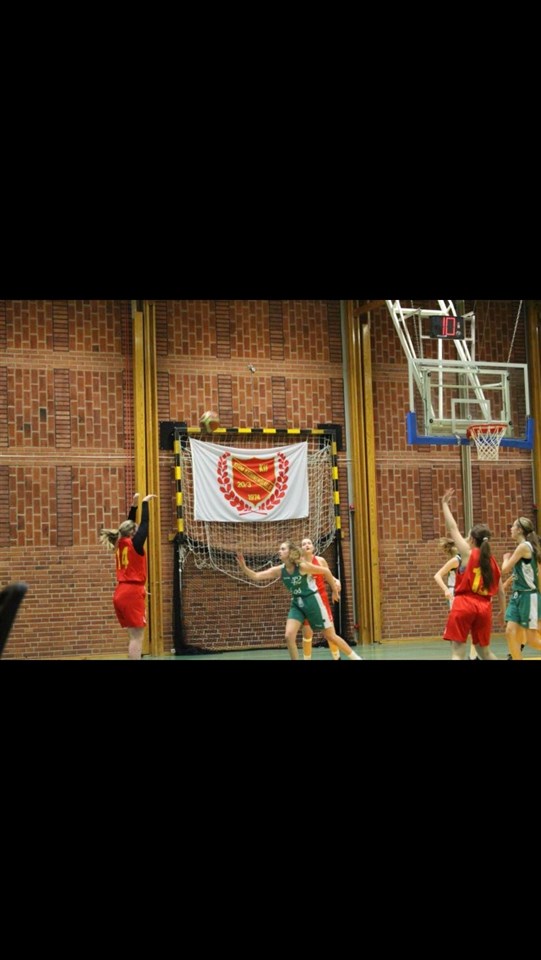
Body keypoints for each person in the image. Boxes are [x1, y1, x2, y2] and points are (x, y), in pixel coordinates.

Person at [236, 540, 362, 661]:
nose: (279, 551)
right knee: (289, 636)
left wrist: (334, 590)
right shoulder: (280, 570)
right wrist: (244, 567)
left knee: (330, 636)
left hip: (312, 601)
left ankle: (356, 658)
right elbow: (256, 576)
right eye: (279, 549)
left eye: (282, 549)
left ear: (290, 552)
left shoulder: (302, 566)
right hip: (297, 604)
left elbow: (326, 571)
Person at [440, 488, 505, 660]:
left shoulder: (468, 553)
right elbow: (501, 591)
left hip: (464, 603)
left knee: (457, 652)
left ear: (472, 539)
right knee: (485, 652)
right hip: (484, 607)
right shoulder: (493, 562)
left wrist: (444, 504)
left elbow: (453, 528)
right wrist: (503, 611)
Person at [99, 492, 157, 660]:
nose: (139, 530)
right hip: (131, 592)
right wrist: (145, 503)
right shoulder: (135, 544)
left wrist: (134, 506)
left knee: (133, 636)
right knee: (137, 637)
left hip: (122, 591)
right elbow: (145, 524)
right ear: (132, 532)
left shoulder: (120, 542)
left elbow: (130, 524)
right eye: (136, 529)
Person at [501, 517, 541, 660]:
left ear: (519, 530)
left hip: (528, 596)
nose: (510, 529)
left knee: (531, 639)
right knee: (510, 632)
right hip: (517, 596)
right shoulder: (524, 547)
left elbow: (505, 569)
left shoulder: (524, 547)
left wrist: (505, 558)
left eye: (513, 526)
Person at [433, 538, 480, 660]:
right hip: (455, 594)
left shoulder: (471, 560)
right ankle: (458, 653)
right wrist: (446, 590)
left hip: (467, 593)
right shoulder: (456, 560)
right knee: (460, 627)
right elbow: (437, 575)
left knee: (475, 625)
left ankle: (473, 656)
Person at [300, 537, 341, 660]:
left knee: (330, 633)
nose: (307, 545)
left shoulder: (320, 561)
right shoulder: (299, 564)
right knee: (307, 634)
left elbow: (329, 576)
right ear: (301, 549)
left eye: (309, 543)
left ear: (313, 547)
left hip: (321, 600)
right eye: (304, 544)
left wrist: (336, 581)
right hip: (307, 601)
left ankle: (337, 657)